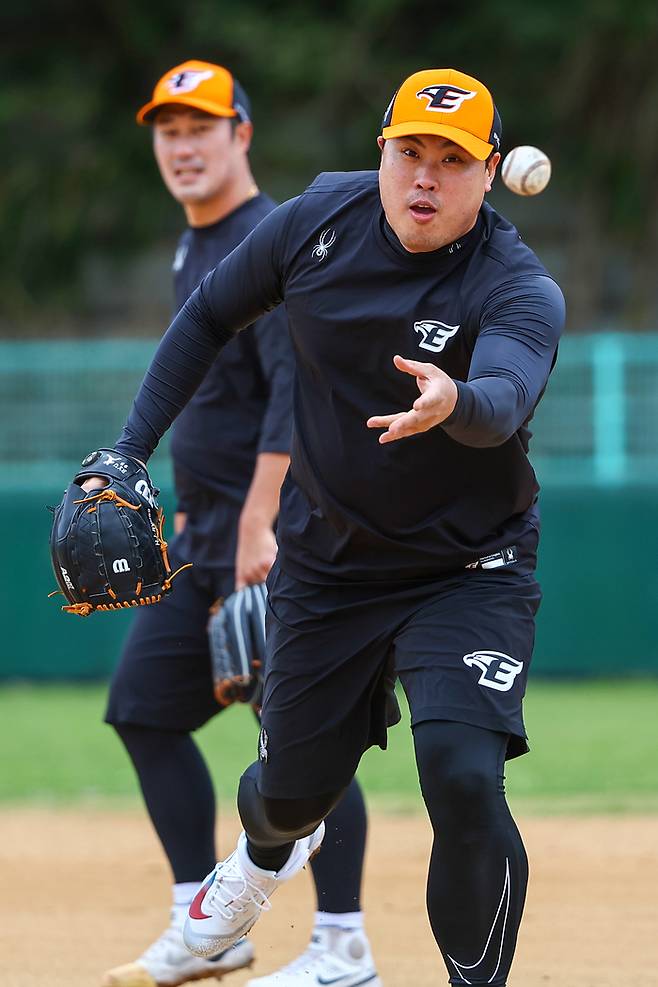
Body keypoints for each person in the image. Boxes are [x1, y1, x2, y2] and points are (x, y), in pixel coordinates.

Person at [87, 66, 565, 987]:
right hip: (330, 564)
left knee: (463, 773)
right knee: (283, 800)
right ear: (379, 154)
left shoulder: (516, 284)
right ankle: (259, 860)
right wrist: (126, 452)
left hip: (468, 566)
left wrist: (455, 398)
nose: (425, 178)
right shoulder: (315, 223)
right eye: (409, 153)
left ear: (492, 172)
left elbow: (505, 398)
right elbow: (207, 319)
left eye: (453, 161)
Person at [101, 60, 379, 987]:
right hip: (203, 536)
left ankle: (342, 940)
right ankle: (207, 921)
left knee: (305, 744)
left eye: (201, 128)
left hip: (276, 536)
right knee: (143, 708)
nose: (182, 146)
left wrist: (262, 524)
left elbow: (293, 396)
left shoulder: (267, 237)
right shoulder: (197, 243)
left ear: (242, 135)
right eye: (168, 130)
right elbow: (220, 398)